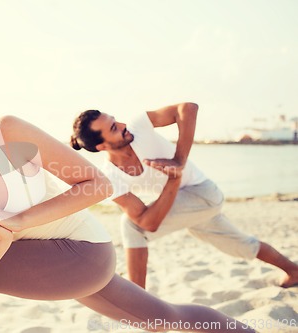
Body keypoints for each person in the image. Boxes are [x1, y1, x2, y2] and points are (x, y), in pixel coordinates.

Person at [0, 78, 257, 333]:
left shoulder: (5, 132)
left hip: (83, 252)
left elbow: (96, 184)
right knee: (165, 319)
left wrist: (15, 226)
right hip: (45, 262)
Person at [70, 104, 298, 289]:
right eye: (113, 129)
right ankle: (294, 271)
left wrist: (179, 162)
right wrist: (174, 180)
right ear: (101, 146)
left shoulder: (139, 126)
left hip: (202, 194)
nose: (121, 125)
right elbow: (149, 222)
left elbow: (188, 109)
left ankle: (138, 302)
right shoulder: (111, 177)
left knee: (130, 228)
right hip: (185, 204)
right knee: (243, 245)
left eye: (115, 120)